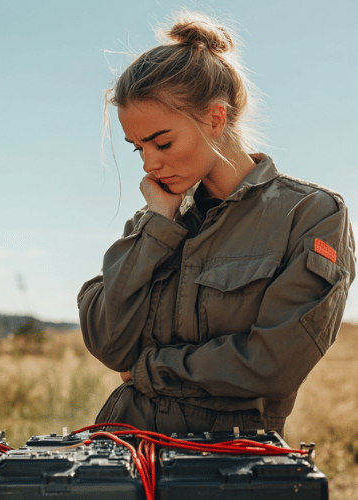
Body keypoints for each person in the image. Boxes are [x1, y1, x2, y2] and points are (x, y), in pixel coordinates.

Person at [77, 11, 355, 437]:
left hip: (226, 463)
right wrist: (156, 225)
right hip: (120, 450)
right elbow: (108, 343)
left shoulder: (310, 215)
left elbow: (273, 365)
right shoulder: (156, 217)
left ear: (215, 118)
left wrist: (153, 369)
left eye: (163, 142)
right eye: (138, 149)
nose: (151, 165)